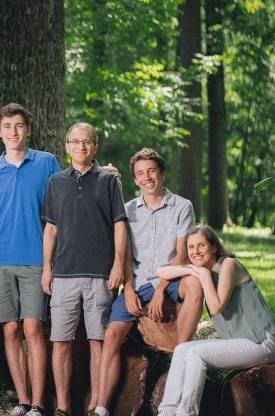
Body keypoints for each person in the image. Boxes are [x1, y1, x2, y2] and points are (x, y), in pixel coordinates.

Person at [91, 148, 202, 416]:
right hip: (138, 282)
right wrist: (128, 290)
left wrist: (162, 290)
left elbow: (182, 255)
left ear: (162, 173)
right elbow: (125, 256)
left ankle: (182, 355)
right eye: (140, 174)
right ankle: (102, 407)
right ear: (135, 180)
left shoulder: (182, 206)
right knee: (112, 334)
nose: (147, 177)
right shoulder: (128, 210)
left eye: (152, 171)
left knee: (195, 284)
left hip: (171, 279)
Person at [42, 122, 128, 416]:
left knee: (98, 341)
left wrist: (118, 264)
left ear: (95, 147)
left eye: (87, 142)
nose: (81, 146)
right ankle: (63, 406)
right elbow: (50, 229)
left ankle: (95, 404)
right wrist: (46, 268)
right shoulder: (55, 182)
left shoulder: (108, 180)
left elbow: (119, 224)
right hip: (64, 274)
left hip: (100, 275)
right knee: (61, 342)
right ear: (67, 146)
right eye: (75, 141)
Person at [0, 103, 60, 416]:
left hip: (37, 259)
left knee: (33, 329)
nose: (13, 132)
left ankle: (39, 404)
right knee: (10, 332)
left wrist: (101, 173)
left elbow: (64, 202)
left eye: (19, 126)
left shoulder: (46, 163)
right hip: (0, 260)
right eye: (7, 126)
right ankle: (22, 401)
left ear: (28, 129)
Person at [156, 225, 275, 416]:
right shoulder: (201, 269)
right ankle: (167, 411)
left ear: (213, 247)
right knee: (182, 350)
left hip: (262, 342)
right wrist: (192, 269)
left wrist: (202, 273)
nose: (196, 252)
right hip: (240, 341)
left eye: (201, 246)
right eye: (191, 248)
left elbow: (216, 307)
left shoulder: (228, 265)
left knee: (197, 354)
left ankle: (186, 413)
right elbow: (161, 272)